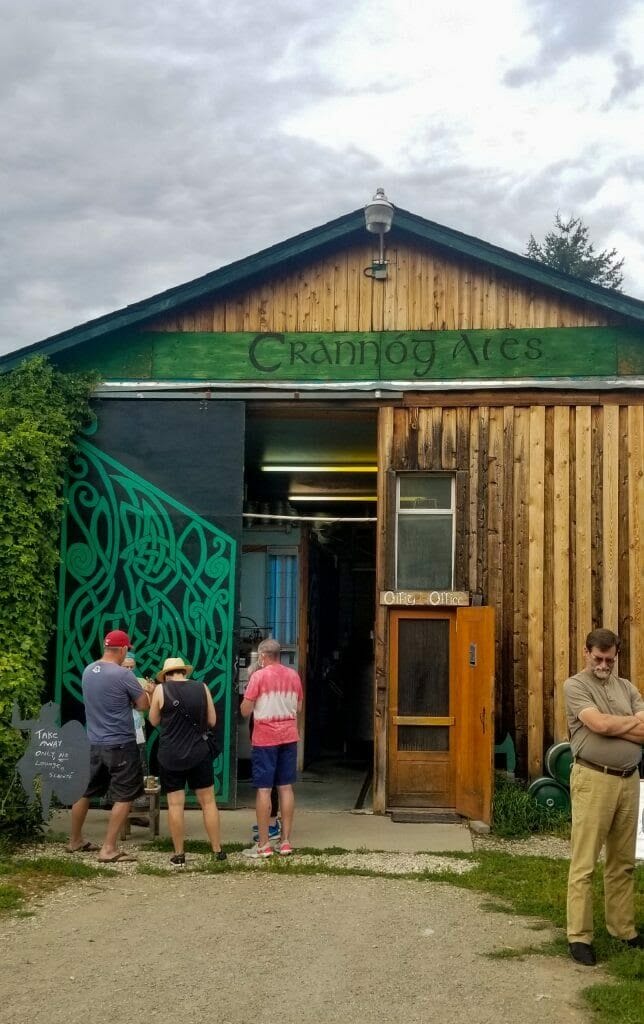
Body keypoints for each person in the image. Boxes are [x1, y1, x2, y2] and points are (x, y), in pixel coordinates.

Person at [564, 627, 644, 966]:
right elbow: (598, 726)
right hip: (593, 778)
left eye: (609, 659)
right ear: (586, 652)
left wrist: (614, 723)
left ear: (616, 656)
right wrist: (627, 722)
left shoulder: (627, 687)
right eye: (598, 658)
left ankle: (623, 929)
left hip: (629, 780)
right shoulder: (575, 686)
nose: (603, 664)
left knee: (622, 862)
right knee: (585, 862)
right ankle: (579, 936)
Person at [67, 628, 150, 863]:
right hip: (120, 743)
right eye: (127, 651)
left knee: (85, 792)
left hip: (94, 741)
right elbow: (143, 705)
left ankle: (75, 840)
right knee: (125, 795)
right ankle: (109, 848)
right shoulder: (123, 675)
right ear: (123, 649)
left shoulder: (87, 671)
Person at [148, 656, 226, 867]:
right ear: (184, 672)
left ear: (165, 675)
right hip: (199, 754)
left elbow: (154, 720)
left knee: (175, 804)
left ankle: (179, 854)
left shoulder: (160, 690)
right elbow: (212, 721)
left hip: (170, 754)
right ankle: (217, 850)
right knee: (208, 802)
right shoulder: (202, 687)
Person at [240, 638, 303, 858]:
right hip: (289, 736)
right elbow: (299, 706)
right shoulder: (293, 676)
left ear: (263, 656)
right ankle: (285, 842)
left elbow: (245, 710)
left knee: (264, 790)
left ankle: (264, 845)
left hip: (265, 738)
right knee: (285, 787)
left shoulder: (258, 676)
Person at [121, 653, 153, 827]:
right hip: (118, 730)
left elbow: (148, 706)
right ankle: (119, 809)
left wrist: (150, 692)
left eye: (131, 666)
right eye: (125, 666)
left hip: (138, 728)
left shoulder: (140, 681)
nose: (129, 669)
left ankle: (137, 809)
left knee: (139, 765)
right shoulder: (113, 680)